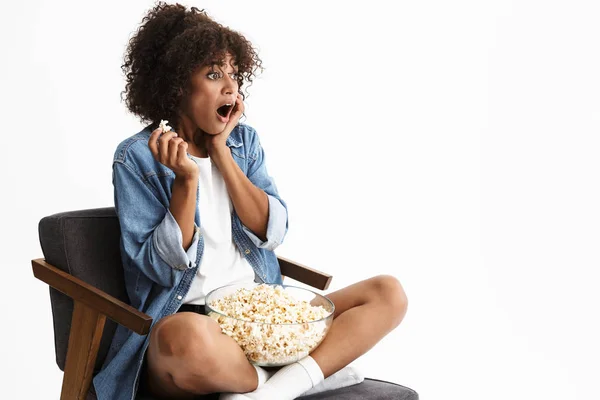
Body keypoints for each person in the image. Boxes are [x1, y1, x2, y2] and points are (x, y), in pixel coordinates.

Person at [92, 2, 408, 400]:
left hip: (263, 315)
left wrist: (222, 153)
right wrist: (186, 182)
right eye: (212, 74)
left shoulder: (244, 143)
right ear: (175, 85)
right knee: (184, 338)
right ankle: (306, 374)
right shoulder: (137, 158)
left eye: (234, 74)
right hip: (195, 322)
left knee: (387, 292)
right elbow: (160, 269)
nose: (230, 87)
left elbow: (271, 231)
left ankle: (271, 391)